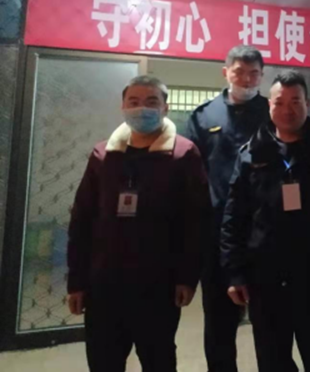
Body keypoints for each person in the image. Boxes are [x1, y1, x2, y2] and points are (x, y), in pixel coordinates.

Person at [220, 70, 310, 372]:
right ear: (269, 105)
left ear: (307, 103)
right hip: (266, 280)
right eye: (279, 102)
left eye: (295, 101)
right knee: (272, 361)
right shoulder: (251, 155)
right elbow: (234, 217)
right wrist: (235, 273)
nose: (287, 109)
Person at [67, 75, 209, 372]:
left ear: (165, 108)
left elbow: (195, 221)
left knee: (158, 359)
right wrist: (77, 282)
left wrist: (187, 277)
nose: (142, 108)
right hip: (104, 283)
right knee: (103, 360)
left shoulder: (184, 154)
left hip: (159, 283)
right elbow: (82, 219)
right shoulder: (103, 154)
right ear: (123, 107)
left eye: (151, 101)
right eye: (134, 101)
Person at [185, 45, 271, 372]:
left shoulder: (273, 111)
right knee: (219, 322)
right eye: (239, 73)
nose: (246, 80)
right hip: (219, 235)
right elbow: (190, 175)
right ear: (226, 73)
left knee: (271, 320)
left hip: (266, 232)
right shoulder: (203, 116)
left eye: (254, 74)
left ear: (262, 76)